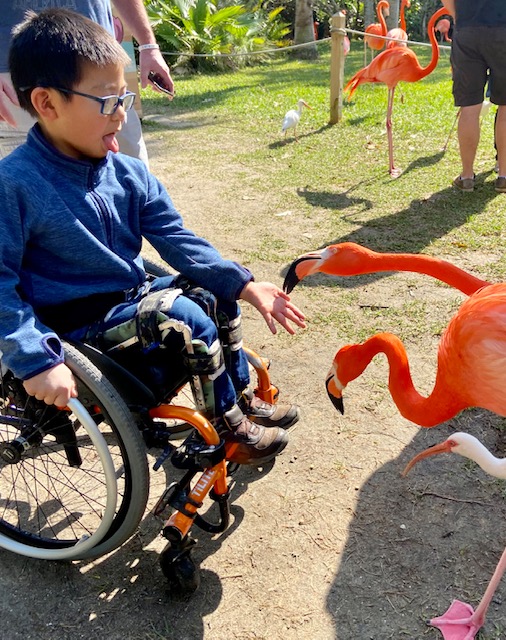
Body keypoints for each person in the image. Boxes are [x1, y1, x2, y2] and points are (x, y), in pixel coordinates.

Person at [0, 8, 306, 465]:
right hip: (71, 324)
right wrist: (35, 359)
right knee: (184, 317)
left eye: (124, 97)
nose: (121, 114)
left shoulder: (127, 173)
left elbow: (176, 238)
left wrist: (242, 284)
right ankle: (227, 429)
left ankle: (238, 398)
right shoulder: (16, 183)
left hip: (127, 298)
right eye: (107, 102)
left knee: (213, 294)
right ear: (46, 104)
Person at [0, 0, 174, 165]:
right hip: (18, 77)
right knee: (31, 186)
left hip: (103, 63)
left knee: (133, 177)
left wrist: (148, 45)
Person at [442, 0, 506, 193]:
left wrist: (458, 16)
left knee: (469, 107)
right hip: (503, 29)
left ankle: (467, 176)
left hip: (467, 29)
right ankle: (503, 175)